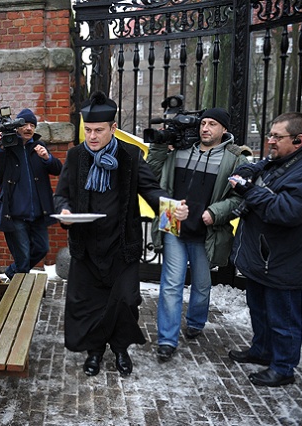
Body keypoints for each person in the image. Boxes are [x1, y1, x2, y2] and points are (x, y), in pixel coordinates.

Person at [53, 91, 188, 377]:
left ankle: (120, 350)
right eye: (88, 130)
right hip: (86, 246)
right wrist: (65, 213)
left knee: (125, 303)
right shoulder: (76, 157)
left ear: (113, 128)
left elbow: (151, 190)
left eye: (98, 130)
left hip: (120, 245)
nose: (91, 136)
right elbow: (61, 195)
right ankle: (95, 352)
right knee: (89, 304)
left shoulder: (130, 155)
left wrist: (171, 208)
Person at [146, 107, 252, 361]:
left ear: (224, 129)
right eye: (203, 123)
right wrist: (161, 145)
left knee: (202, 285)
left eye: (212, 124)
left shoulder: (235, 159)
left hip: (207, 230)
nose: (205, 128)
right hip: (173, 221)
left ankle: (195, 321)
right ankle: (167, 340)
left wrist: (216, 212)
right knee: (171, 284)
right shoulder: (181, 149)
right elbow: (152, 172)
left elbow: (240, 198)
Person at [228, 112, 302, 387]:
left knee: (283, 318)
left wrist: (249, 191)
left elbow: (287, 211)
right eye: (269, 134)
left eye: (276, 136)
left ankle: (283, 368)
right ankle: (262, 350)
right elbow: (259, 171)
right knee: (259, 309)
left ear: (298, 140)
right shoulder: (280, 160)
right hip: (264, 257)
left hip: (284, 261)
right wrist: (247, 173)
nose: (269, 141)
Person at [0, 107, 62, 279]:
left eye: (32, 125)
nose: (29, 128)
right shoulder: (7, 149)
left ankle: (12, 273)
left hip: (38, 213)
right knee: (23, 259)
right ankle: (17, 297)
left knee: (41, 248)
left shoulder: (39, 146)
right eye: (25, 124)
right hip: (15, 215)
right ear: (16, 127)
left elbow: (58, 169)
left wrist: (47, 158)